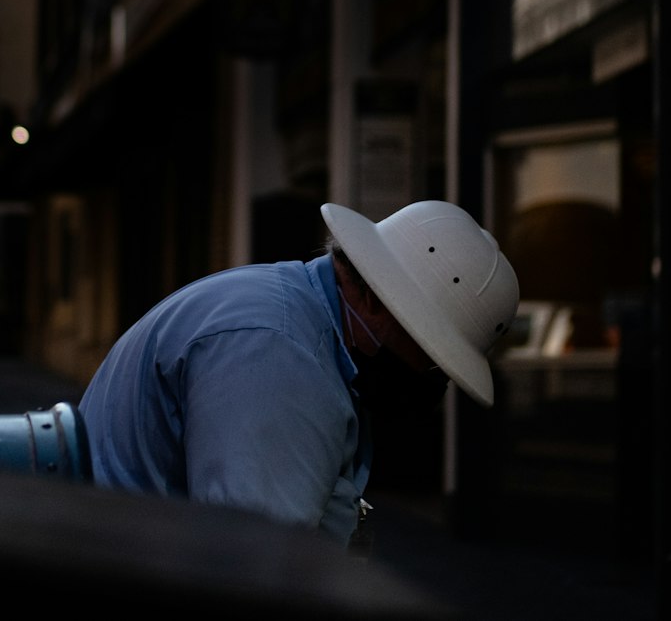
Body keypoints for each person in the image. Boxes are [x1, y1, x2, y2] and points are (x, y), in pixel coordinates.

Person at [77, 198, 519, 547]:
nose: (430, 374)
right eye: (432, 352)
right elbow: (254, 561)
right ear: (377, 300)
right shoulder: (281, 356)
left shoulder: (290, 311)